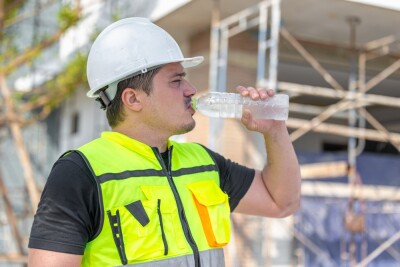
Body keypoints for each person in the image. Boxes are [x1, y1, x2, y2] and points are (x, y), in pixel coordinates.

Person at [28, 17, 301, 267]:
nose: (191, 90)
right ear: (133, 99)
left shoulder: (203, 162)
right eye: (176, 80)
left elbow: (282, 202)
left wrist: (274, 131)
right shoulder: (80, 172)